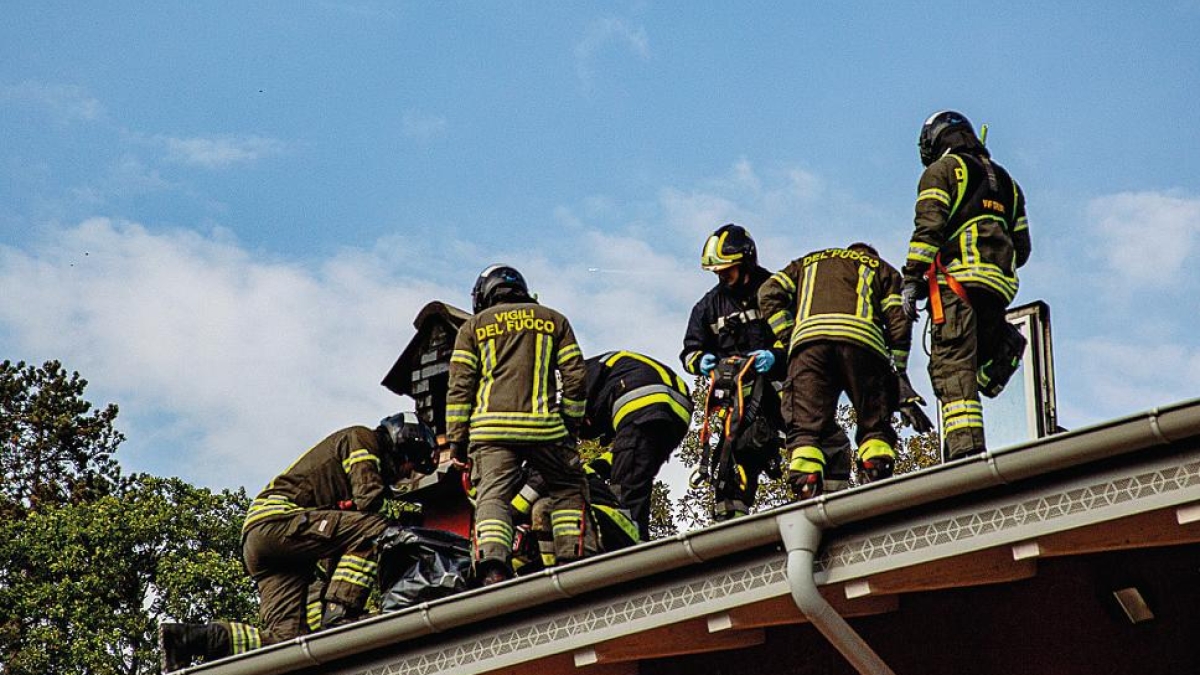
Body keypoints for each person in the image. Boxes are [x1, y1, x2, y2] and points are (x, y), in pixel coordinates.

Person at [158, 413, 436, 672]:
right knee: (378, 528)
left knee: (287, 641)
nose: (404, 475)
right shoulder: (363, 439)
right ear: (400, 443)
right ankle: (342, 613)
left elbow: (337, 550)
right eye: (408, 466)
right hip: (279, 523)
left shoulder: (346, 495)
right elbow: (370, 501)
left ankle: (190, 639)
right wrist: (409, 516)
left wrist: (328, 603)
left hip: (265, 545)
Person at [446, 264, 589, 585]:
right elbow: (576, 376)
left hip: (490, 430)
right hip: (546, 427)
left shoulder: (471, 328)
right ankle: (571, 558)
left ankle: (494, 568)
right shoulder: (554, 320)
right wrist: (570, 423)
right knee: (567, 487)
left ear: (483, 294)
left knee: (493, 497)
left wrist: (457, 440)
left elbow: (459, 386)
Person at [901, 110, 1032, 460]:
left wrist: (911, 279)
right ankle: (1004, 347)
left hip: (957, 287)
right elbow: (1024, 249)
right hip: (998, 290)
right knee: (975, 365)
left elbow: (927, 231)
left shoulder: (942, 172)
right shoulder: (1008, 182)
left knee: (952, 369)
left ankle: (965, 455)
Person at [758, 243, 922, 499]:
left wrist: (791, 338)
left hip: (810, 347)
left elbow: (768, 292)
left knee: (805, 427)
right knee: (873, 424)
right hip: (864, 345)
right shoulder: (882, 269)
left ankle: (806, 481)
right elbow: (899, 323)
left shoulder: (808, 260)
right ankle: (875, 470)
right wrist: (899, 373)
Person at [680, 223, 789, 521]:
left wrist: (776, 357)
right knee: (730, 464)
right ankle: (731, 525)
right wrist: (700, 360)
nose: (722, 276)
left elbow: (799, 339)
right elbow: (689, 351)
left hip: (780, 392)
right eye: (718, 272)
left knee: (808, 444)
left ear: (745, 261)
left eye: (727, 270)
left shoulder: (774, 290)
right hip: (738, 403)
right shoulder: (708, 306)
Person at [578, 350, 693, 541]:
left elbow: (560, 437)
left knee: (624, 488)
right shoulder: (612, 368)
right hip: (677, 414)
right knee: (635, 469)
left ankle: (631, 545)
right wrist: (593, 469)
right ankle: (636, 538)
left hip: (642, 401)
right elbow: (626, 455)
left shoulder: (573, 377)